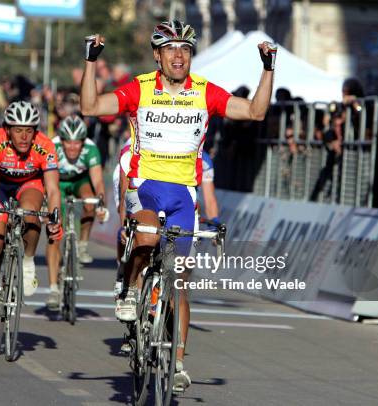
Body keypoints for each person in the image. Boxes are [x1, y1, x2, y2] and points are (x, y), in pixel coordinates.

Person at [80, 20, 275, 392]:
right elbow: (90, 106)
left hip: (185, 193)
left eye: (185, 49)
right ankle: (132, 287)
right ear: (157, 55)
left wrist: (267, 70)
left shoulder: (204, 91)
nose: (178, 55)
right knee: (148, 235)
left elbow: (255, 112)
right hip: (145, 184)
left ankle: (178, 360)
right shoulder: (139, 88)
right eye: (170, 49)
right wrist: (91, 61)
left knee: (180, 283)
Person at [0, 101, 63, 334]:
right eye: (18, 130)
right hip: (1, 186)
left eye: (29, 130)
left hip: (29, 184)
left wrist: (56, 218)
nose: (24, 137)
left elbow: (53, 189)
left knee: (30, 213)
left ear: (36, 131)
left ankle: (28, 260)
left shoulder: (45, 146)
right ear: (7, 130)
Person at [44, 115, 109, 310]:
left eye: (77, 143)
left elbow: (97, 181)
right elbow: (45, 179)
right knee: (55, 232)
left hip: (80, 180)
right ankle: (54, 289)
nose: (72, 148)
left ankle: (81, 244)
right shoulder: (51, 147)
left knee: (90, 200)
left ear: (83, 141)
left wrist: (101, 204)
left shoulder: (91, 149)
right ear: (61, 140)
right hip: (58, 183)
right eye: (68, 143)